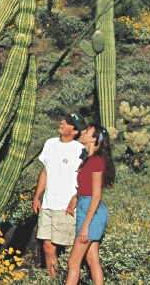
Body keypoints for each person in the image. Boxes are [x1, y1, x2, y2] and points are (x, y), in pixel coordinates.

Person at [32, 112, 87, 279]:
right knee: (48, 247)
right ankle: (52, 280)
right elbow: (45, 172)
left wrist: (75, 198)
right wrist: (37, 196)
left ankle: (72, 280)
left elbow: (87, 178)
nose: (62, 122)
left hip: (66, 207)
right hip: (48, 204)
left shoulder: (81, 150)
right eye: (64, 119)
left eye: (67, 122)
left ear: (74, 131)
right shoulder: (50, 144)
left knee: (70, 248)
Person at [65, 123, 115, 285]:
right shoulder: (89, 160)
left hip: (91, 213)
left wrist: (86, 226)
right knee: (92, 258)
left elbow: (96, 196)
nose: (83, 132)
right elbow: (86, 189)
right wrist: (75, 197)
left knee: (73, 262)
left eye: (87, 131)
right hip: (86, 208)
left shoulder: (96, 161)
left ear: (94, 139)